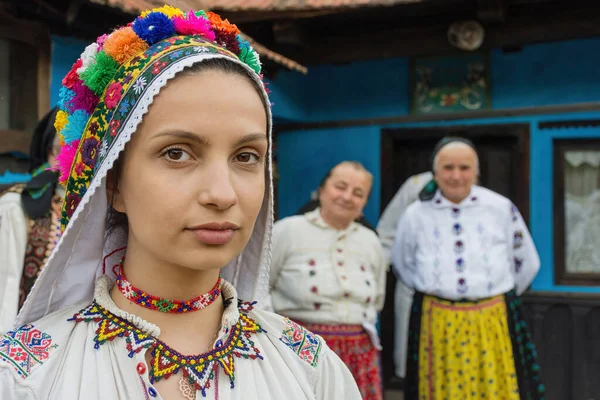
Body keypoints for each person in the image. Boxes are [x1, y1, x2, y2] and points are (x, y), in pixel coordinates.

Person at [0, 6, 361, 399]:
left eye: (246, 156)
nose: (222, 194)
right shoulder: (28, 376)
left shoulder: (309, 368)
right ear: (113, 183)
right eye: (177, 153)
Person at [393, 137, 545, 400]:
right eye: (448, 168)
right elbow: (403, 264)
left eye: (464, 168)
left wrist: (491, 293)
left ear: (476, 172)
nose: (456, 176)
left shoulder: (500, 208)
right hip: (437, 319)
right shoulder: (415, 214)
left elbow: (526, 262)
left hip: (491, 318)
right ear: (435, 172)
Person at [270, 161, 387, 400]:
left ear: (364, 203)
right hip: (298, 351)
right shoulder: (287, 231)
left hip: (359, 354)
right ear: (322, 190)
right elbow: (259, 292)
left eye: (358, 193)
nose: (347, 197)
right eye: (340, 187)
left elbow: (377, 300)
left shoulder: (370, 241)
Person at [0, 107, 63, 332]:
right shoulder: (16, 207)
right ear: (51, 154)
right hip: (24, 343)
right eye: (64, 149)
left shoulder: (106, 209)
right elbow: (5, 288)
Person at [376, 171, 431, 380]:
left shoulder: (483, 202)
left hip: (465, 302)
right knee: (414, 365)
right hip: (412, 287)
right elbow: (387, 235)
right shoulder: (417, 185)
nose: (454, 174)